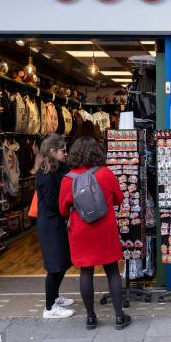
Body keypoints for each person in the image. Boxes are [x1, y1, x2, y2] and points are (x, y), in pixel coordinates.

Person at [59, 137, 131, 330]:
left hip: (80, 231)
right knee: (112, 271)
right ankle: (118, 317)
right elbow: (119, 199)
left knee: (86, 271)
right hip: (104, 229)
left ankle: (91, 317)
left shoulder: (68, 178)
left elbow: (63, 210)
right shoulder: (105, 173)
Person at [32, 134, 74, 319]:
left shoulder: (56, 169)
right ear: (52, 151)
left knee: (62, 262)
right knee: (55, 265)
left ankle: (55, 297)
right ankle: (49, 308)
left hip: (56, 222)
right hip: (51, 224)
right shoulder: (46, 174)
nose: (66, 153)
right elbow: (52, 203)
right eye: (63, 150)